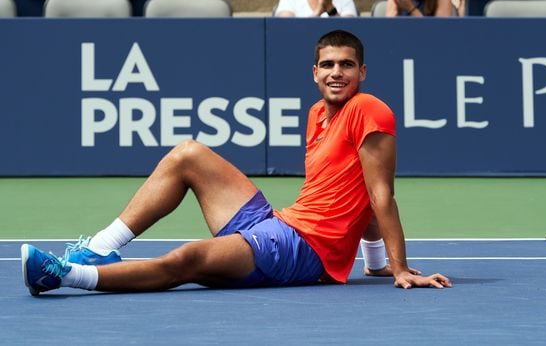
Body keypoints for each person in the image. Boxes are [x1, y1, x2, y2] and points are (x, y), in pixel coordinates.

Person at [21, 29, 452, 296]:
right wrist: (372, 262)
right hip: (279, 224)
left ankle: (66, 277)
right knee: (189, 153)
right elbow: (353, 191)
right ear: (314, 72)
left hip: (303, 251)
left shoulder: (370, 109)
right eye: (327, 65)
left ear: (362, 72)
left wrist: (396, 268)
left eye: (346, 65)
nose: (336, 72)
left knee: (187, 259)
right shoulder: (318, 114)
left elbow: (380, 195)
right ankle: (97, 249)